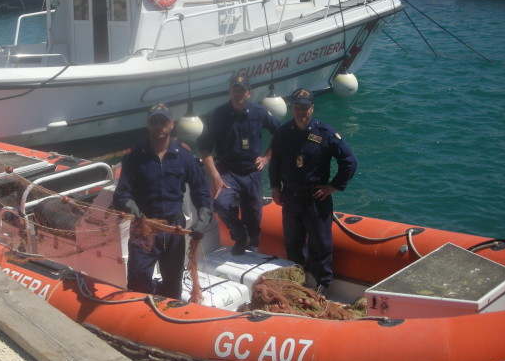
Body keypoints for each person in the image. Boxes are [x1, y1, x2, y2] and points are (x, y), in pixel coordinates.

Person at [112, 103, 212, 299]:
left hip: (174, 229)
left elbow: (201, 192)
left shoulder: (183, 156)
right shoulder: (134, 157)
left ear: (171, 124)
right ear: (147, 125)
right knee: (137, 282)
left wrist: (204, 217)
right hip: (144, 227)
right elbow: (121, 194)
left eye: (163, 122)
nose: (159, 126)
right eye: (154, 121)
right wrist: (132, 207)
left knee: (173, 287)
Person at [268, 88, 357, 294]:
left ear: (312, 108)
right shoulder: (282, 133)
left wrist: (333, 186)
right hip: (290, 198)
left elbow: (349, 161)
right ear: (292, 109)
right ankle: (296, 283)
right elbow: (276, 164)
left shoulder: (325, 133)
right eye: (297, 107)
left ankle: (321, 286)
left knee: (320, 244)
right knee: (293, 243)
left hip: (316, 199)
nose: (301, 112)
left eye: (305, 108)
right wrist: (275, 187)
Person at [198, 73, 280, 255]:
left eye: (241, 91)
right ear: (229, 92)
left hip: (252, 172)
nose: (238, 94)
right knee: (221, 204)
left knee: (254, 214)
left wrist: (267, 157)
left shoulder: (259, 112)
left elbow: (280, 132)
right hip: (227, 171)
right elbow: (204, 148)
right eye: (234, 90)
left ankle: (251, 247)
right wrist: (215, 176)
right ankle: (239, 233)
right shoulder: (217, 115)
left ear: (249, 93)